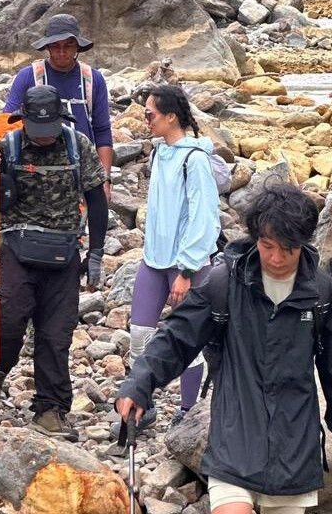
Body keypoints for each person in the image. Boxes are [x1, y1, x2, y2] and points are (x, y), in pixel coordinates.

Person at [115, 182, 332, 514]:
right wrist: (139, 384)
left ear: (304, 243)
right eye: (268, 246)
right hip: (234, 437)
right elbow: (176, 339)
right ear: (256, 238)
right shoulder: (224, 284)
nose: (277, 258)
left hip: (293, 446)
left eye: (288, 248)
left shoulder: (323, 295)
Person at [0, 84, 108, 440]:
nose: (44, 138)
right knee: (8, 316)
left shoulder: (79, 146)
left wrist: (95, 254)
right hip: (18, 246)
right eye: (36, 131)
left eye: (49, 131)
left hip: (64, 251)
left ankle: (51, 409)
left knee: (56, 334)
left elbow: (96, 200)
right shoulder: (8, 146)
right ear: (23, 120)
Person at [117, 84, 221, 435]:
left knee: (188, 341)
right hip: (153, 259)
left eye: (150, 115)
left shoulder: (195, 159)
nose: (145, 120)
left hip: (185, 266)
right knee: (140, 334)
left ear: (171, 116)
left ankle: (189, 409)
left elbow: (205, 217)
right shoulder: (159, 153)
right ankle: (142, 404)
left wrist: (188, 269)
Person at [3, 14, 114, 200]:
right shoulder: (29, 76)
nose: (62, 52)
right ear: (47, 47)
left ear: (77, 47)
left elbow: (102, 130)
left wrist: (105, 179)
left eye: (68, 46)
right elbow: (7, 124)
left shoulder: (93, 79)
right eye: (55, 46)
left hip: (83, 167)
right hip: (36, 169)